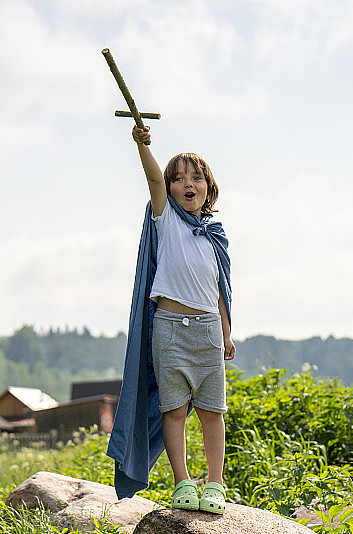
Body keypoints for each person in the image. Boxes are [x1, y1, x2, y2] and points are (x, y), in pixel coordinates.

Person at [105, 124, 235, 514]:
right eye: (178, 179)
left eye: (196, 177)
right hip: (169, 330)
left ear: (209, 189)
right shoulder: (167, 219)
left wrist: (228, 335)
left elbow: (220, 290)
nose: (187, 183)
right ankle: (182, 483)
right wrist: (144, 146)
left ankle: (214, 482)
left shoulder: (215, 235)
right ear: (170, 188)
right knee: (174, 410)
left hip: (208, 331)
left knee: (213, 411)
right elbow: (151, 178)